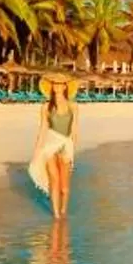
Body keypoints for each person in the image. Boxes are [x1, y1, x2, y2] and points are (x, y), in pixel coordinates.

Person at [27, 77, 79, 218]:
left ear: (65, 87)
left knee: (64, 188)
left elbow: (74, 130)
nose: (56, 86)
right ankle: (56, 215)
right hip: (50, 144)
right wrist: (37, 151)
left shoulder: (73, 106)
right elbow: (43, 129)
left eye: (60, 83)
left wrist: (73, 148)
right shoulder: (46, 107)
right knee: (54, 181)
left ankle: (63, 212)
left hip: (66, 145)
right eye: (54, 83)